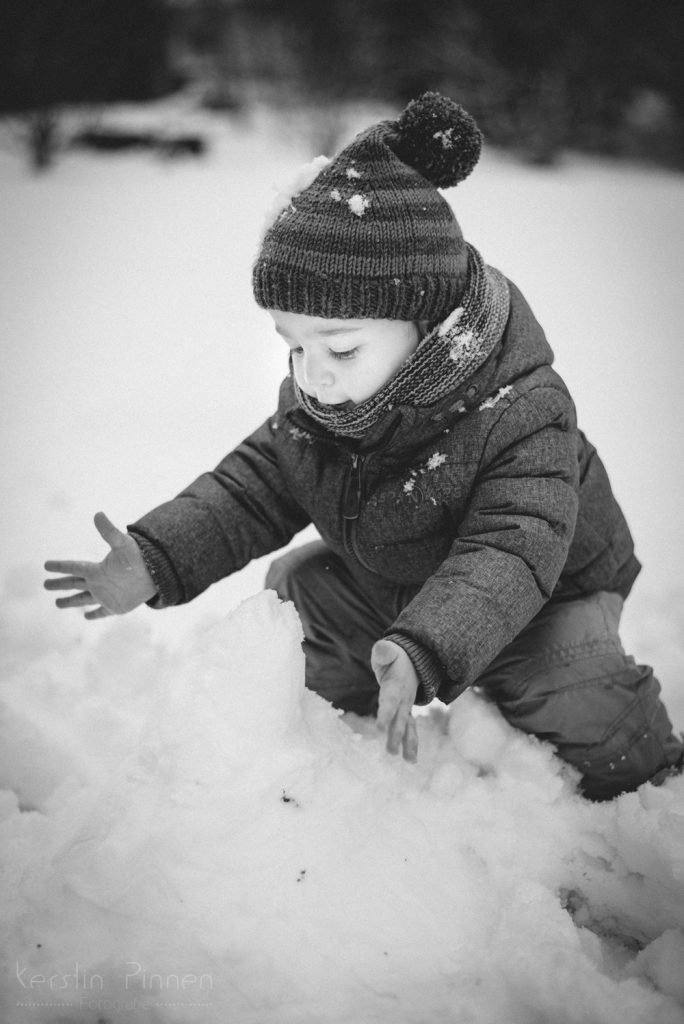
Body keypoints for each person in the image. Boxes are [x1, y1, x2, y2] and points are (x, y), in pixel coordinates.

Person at [44, 92, 683, 801]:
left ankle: (651, 779)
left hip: (545, 592)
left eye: (340, 348)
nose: (311, 374)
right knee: (301, 592)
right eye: (292, 345)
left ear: (426, 322)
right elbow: (252, 488)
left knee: (560, 678)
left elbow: (511, 549)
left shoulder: (520, 409)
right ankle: (349, 719)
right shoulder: (326, 401)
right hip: (406, 575)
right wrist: (158, 557)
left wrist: (425, 646)